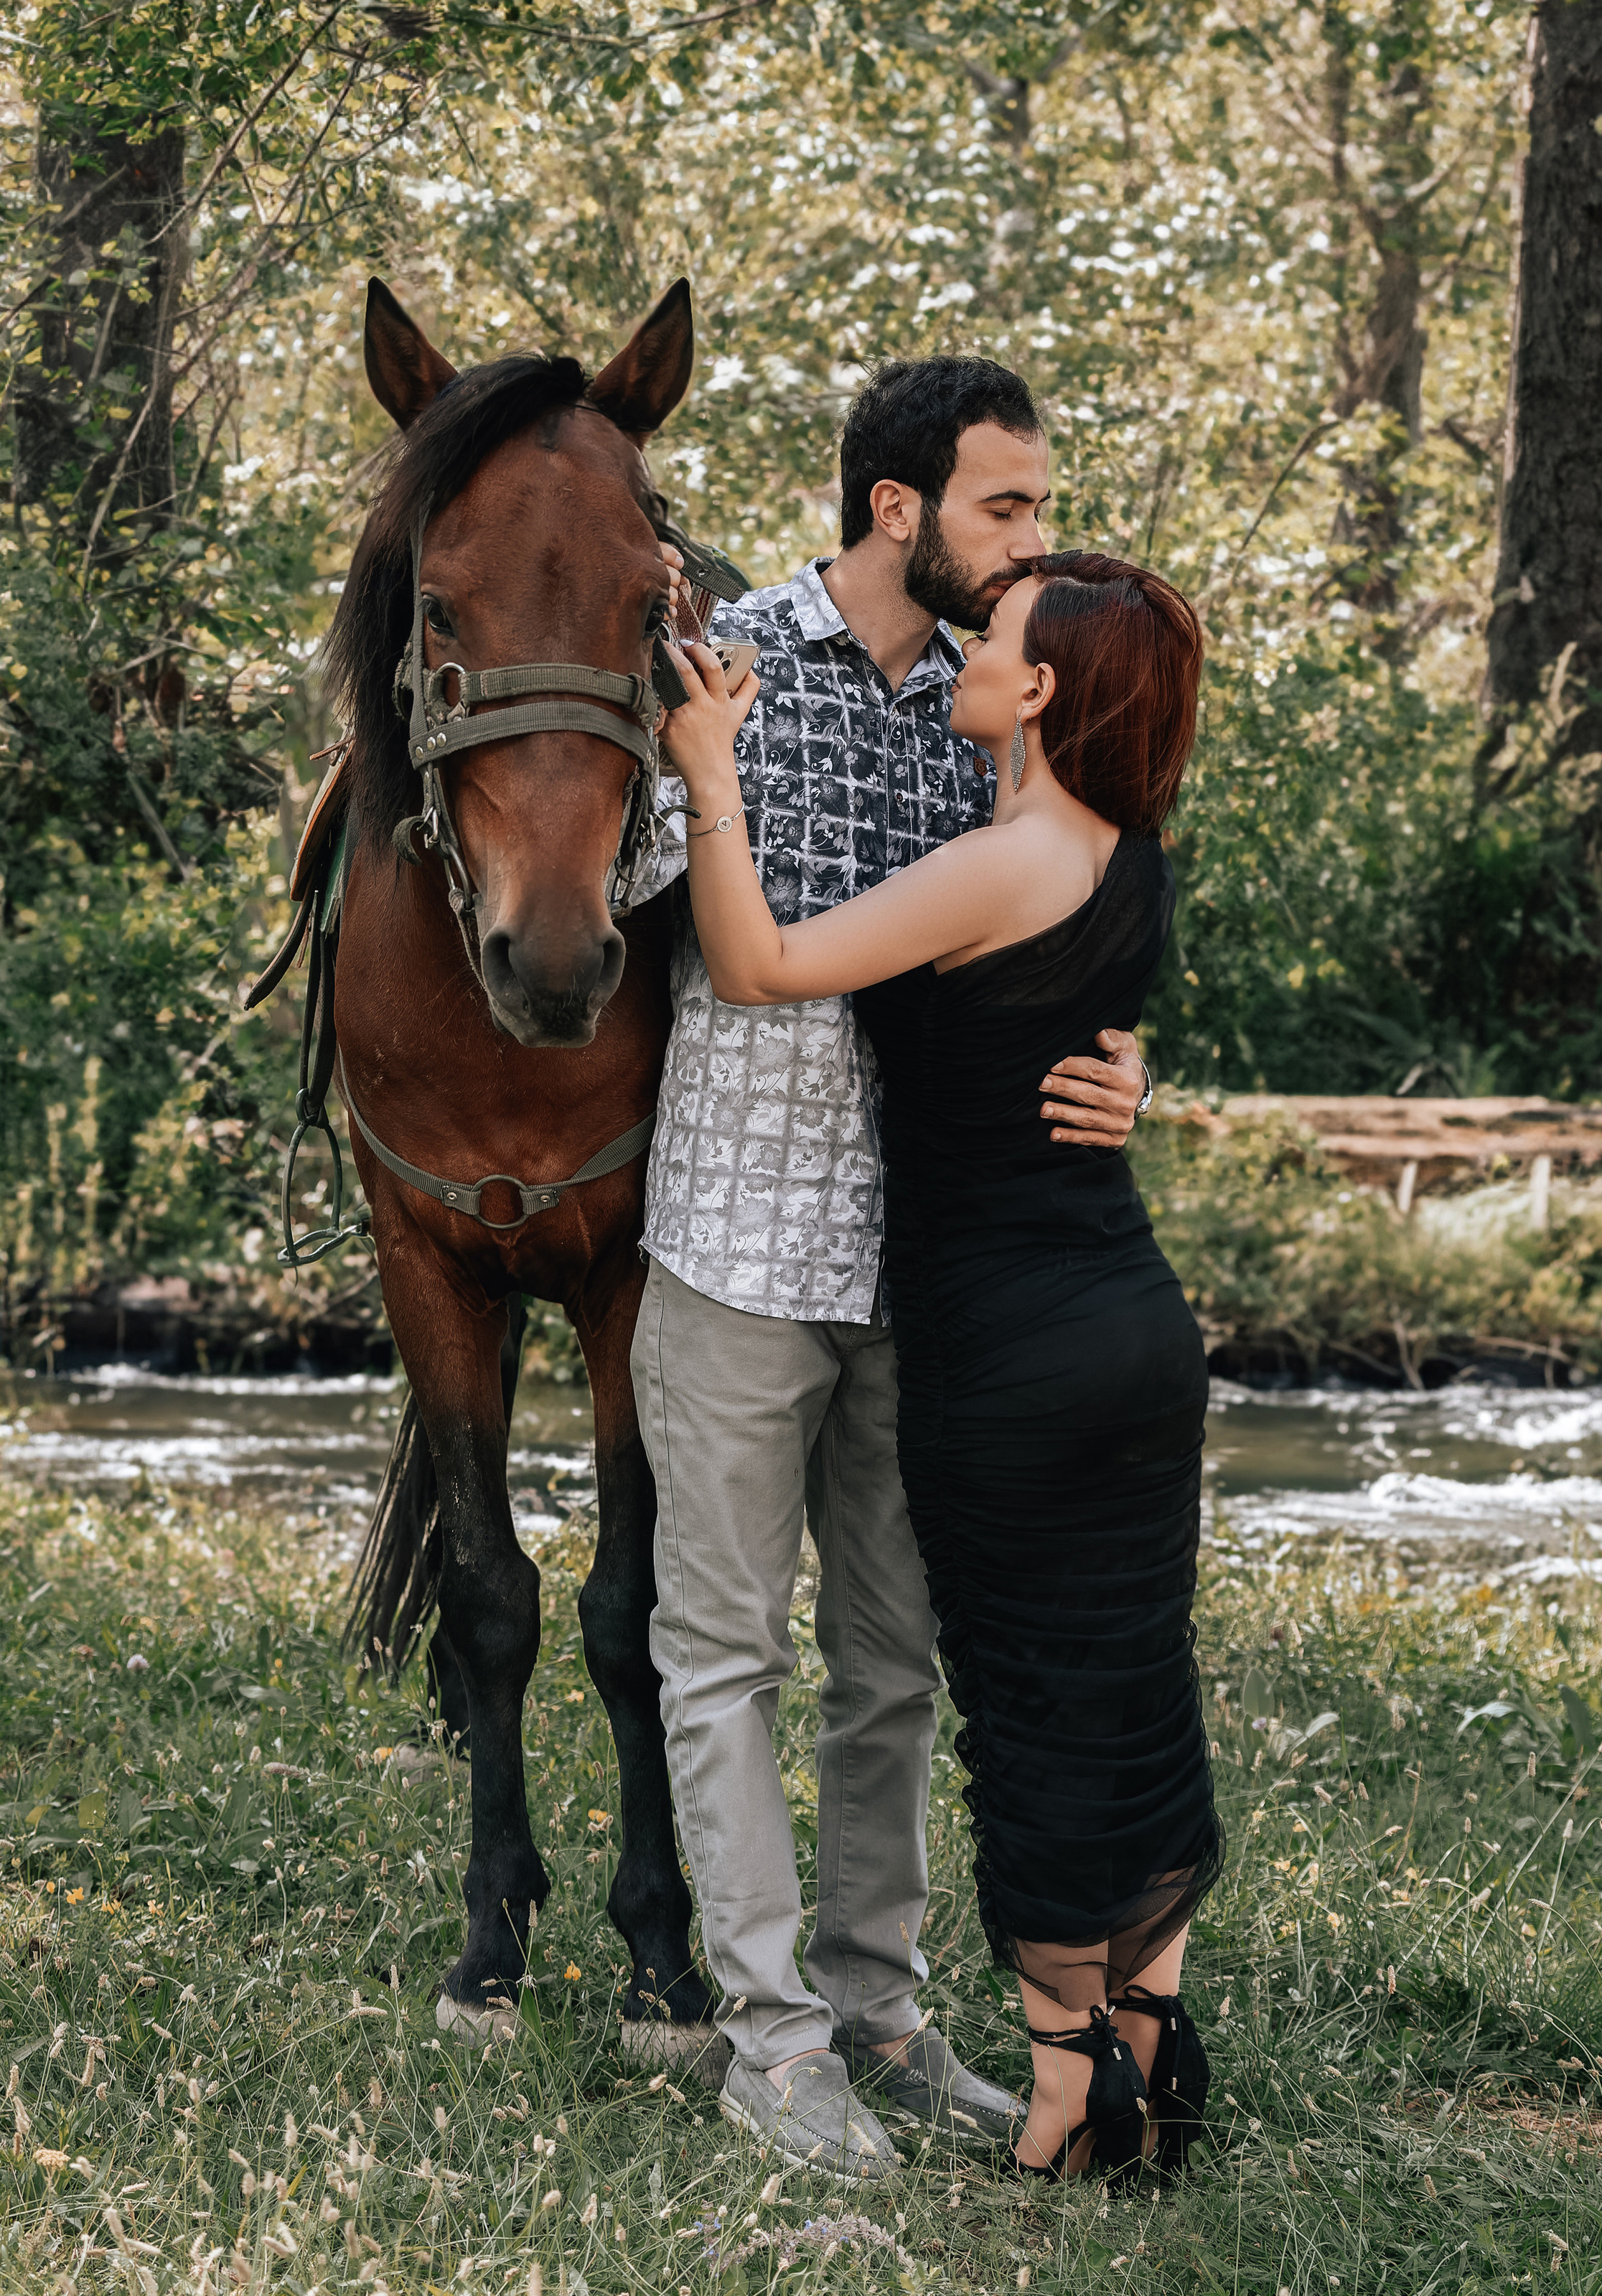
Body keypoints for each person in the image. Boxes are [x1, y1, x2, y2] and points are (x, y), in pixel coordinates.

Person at [632, 361, 1154, 2183]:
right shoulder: (723, 662)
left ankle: (879, 2014)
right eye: (1005, 506)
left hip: (933, 1256)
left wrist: (1124, 1062)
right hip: (734, 1235)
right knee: (723, 1654)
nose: (1032, 539)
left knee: (891, 1660)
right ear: (893, 507)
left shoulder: (1008, 694)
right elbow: (606, 905)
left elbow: (1074, 911)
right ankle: (770, 2043)